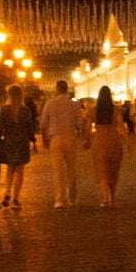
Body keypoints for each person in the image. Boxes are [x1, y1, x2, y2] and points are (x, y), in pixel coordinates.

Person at [40, 79, 85, 207]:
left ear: (57, 89)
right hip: (71, 137)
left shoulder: (50, 103)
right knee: (72, 168)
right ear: (67, 89)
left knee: (58, 170)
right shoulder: (74, 104)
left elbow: (43, 123)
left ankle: (60, 199)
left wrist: (44, 139)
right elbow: (80, 123)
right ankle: (72, 197)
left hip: (55, 138)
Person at [0, 84, 35, 208]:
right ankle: (16, 199)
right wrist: (33, 140)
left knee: (10, 170)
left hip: (9, 142)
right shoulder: (25, 110)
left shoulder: (5, 109)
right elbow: (29, 128)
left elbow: (0, 128)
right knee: (20, 171)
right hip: (22, 143)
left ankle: (7, 191)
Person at [90, 86, 128, 206]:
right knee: (113, 169)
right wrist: (127, 141)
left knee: (101, 169)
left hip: (99, 139)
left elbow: (86, 126)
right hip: (114, 139)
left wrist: (86, 139)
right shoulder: (116, 110)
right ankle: (113, 196)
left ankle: (105, 197)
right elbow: (121, 126)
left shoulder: (94, 110)